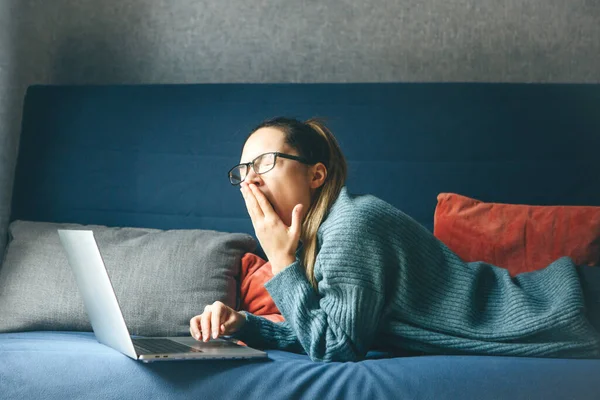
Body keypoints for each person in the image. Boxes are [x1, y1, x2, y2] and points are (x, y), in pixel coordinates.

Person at [189, 116, 600, 362]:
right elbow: (333, 327)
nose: (252, 178)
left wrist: (281, 262)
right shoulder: (320, 236)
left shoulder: (351, 225)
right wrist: (244, 323)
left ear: (317, 174)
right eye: (243, 170)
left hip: (567, 311)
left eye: (265, 162)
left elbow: (335, 347)